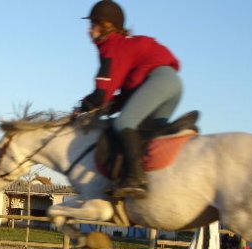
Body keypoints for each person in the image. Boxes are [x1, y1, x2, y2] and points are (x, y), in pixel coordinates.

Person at [76, 0, 183, 198]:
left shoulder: (112, 46)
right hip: (172, 84)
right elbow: (122, 98)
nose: (88, 31)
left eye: (92, 25)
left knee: (124, 123)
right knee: (144, 134)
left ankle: (136, 179)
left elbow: (102, 94)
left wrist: (83, 107)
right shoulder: (125, 47)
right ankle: (149, 183)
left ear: (106, 25)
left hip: (159, 81)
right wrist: (102, 108)